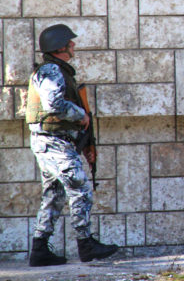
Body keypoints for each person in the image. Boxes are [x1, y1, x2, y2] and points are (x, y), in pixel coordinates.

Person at [26, 24, 118, 266]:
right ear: (60, 47)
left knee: (54, 195)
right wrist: (81, 114)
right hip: (54, 142)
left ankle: (39, 249)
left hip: (51, 141)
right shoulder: (51, 71)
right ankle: (86, 244)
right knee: (80, 189)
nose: (73, 45)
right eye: (70, 42)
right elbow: (54, 105)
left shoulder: (54, 70)